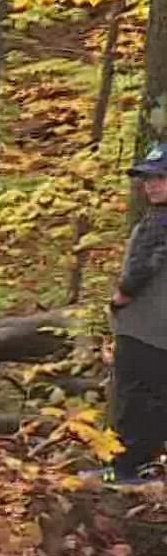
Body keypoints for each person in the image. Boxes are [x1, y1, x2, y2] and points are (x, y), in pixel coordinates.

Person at [107, 143, 167, 484]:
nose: (152, 185)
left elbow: (144, 266)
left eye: (160, 178)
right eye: (148, 179)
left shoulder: (158, 221)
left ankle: (124, 470)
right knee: (156, 400)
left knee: (133, 398)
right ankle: (147, 466)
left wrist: (120, 298)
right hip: (159, 331)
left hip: (143, 326)